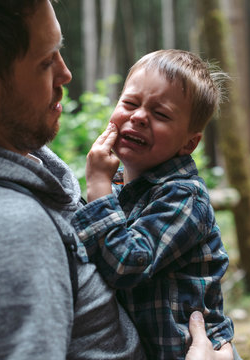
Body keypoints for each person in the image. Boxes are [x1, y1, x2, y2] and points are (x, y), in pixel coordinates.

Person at [0, 0, 234, 359]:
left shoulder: (11, 170)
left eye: (59, 52)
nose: (66, 74)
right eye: (46, 61)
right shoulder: (5, 232)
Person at [71, 49, 240, 359]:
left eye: (160, 114)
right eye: (130, 103)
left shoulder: (184, 195)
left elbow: (124, 264)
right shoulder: (119, 185)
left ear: (189, 143)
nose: (138, 117)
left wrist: (97, 186)